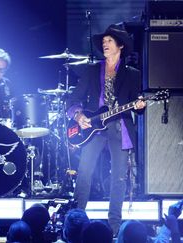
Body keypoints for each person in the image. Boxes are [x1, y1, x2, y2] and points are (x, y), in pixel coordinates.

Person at [66, 24, 146, 235]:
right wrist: (79, 115)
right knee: (84, 172)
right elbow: (73, 99)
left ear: (120, 45)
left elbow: (136, 104)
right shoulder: (92, 70)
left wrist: (140, 106)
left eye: (109, 41)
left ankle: (114, 228)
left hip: (119, 126)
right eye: (103, 41)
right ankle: (75, 224)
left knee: (118, 177)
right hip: (93, 125)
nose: (105, 44)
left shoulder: (132, 74)